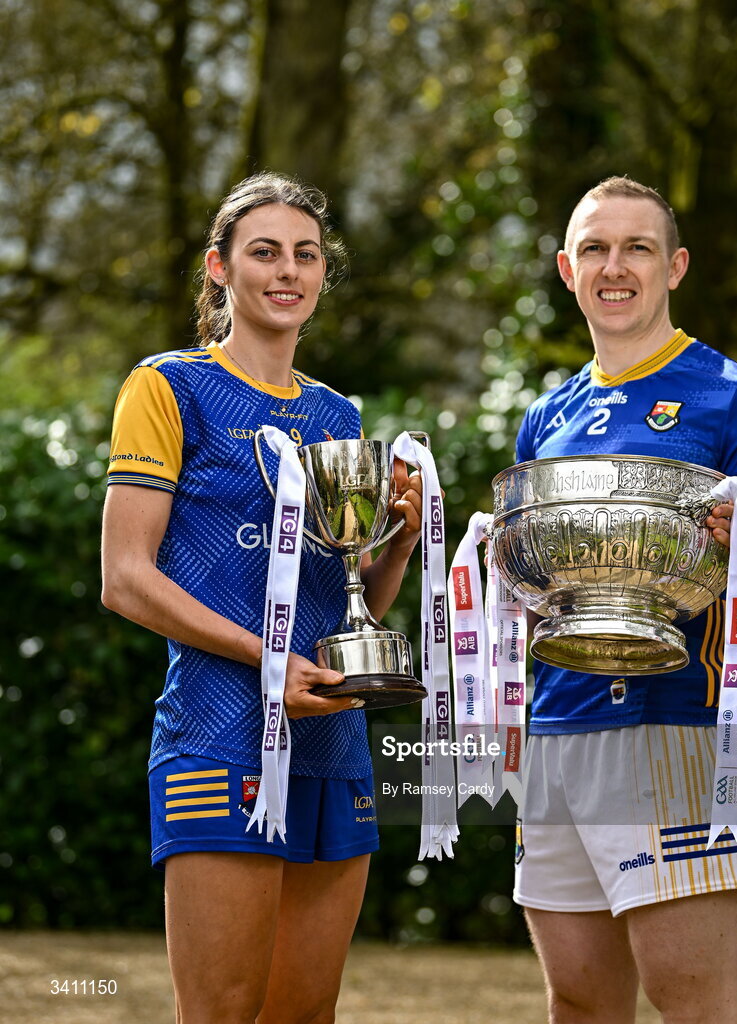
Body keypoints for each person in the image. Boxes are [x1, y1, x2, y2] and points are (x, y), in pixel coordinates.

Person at [101, 173, 423, 1024]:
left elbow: (356, 601)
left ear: (323, 274)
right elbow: (124, 577)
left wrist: (402, 536)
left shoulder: (337, 414)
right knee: (221, 1015)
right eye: (264, 252)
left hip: (334, 743)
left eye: (306, 255)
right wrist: (265, 659)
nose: (288, 271)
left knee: (306, 1014)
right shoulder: (166, 388)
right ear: (219, 269)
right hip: (220, 735)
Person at [510, 176, 737, 1024]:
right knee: (577, 1001)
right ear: (566, 268)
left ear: (675, 265)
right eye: (594, 249)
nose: (614, 267)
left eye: (637, 247)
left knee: (691, 1002)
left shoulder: (734, 394)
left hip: (675, 733)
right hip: (558, 730)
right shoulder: (544, 418)